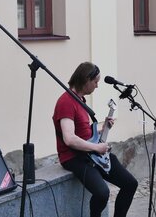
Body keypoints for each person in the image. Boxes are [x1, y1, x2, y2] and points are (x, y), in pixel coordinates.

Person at [53, 62, 138, 217]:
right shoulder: (66, 102)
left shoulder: (80, 100)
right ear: (86, 80)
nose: (97, 86)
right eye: (95, 82)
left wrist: (103, 127)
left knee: (130, 184)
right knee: (102, 193)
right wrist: (97, 148)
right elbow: (70, 139)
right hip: (74, 157)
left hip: (89, 152)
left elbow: (84, 132)